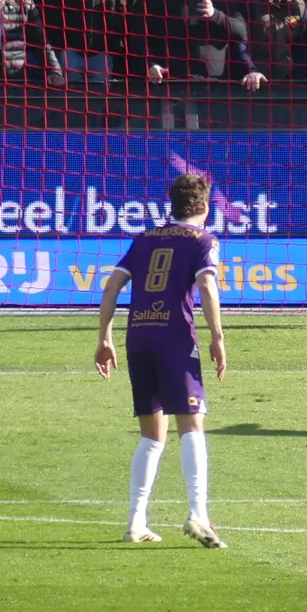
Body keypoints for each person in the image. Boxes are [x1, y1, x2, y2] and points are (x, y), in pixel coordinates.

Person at [95, 172, 229, 549]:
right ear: (204, 207)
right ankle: (198, 514)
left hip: (138, 337)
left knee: (152, 436)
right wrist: (217, 337)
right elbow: (206, 285)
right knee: (192, 426)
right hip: (174, 338)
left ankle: (136, 522)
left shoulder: (144, 239)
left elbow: (111, 285)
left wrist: (105, 337)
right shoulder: (204, 239)